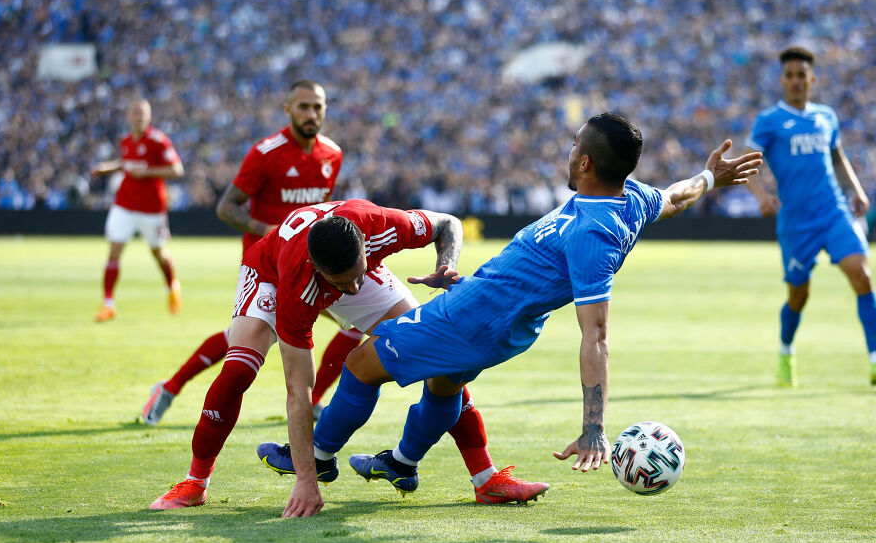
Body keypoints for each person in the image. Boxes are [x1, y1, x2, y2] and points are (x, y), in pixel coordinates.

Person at [303, 113, 762, 507]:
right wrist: (708, 178)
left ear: (585, 162)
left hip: (473, 319)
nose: (569, 151)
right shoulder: (633, 199)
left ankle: (317, 458)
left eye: (575, 145)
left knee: (361, 363)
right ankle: (402, 463)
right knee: (445, 386)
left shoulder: (593, 233)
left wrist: (594, 426)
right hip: (488, 313)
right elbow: (677, 197)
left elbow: (596, 334)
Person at [149, 199, 549, 515]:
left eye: (359, 275)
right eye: (343, 284)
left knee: (437, 353)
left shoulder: (378, 225)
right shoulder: (298, 288)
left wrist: (446, 264)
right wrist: (305, 481)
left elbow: (448, 224)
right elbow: (298, 392)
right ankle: (196, 483)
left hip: (341, 262)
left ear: (364, 245)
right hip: (270, 271)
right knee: (238, 370)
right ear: (319, 270)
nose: (354, 289)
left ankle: (486, 479)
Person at [142, 80, 352, 425]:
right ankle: (169, 387)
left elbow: (321, 207)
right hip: (267, 266)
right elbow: (226, 207)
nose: (311, 114)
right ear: (288, 110)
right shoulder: (266, 153)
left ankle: (313, 401)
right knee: (245, 342)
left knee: (354, 324)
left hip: (308, 263)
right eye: (303, 106)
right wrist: (269, 230)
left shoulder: (332, 153)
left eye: (317, 107)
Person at [743, 47, 876, 387]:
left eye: (801, 75)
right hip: (796, 223)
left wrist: (856, 189)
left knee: (862, 275)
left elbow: (838, 157)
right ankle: (786, 353)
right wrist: (762, 196)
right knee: (798, 296)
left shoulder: (826, 117)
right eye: (790, 75)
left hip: (834, 212)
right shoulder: (770, 120)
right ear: (781, 80)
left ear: (812, 79)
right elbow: (746, 163)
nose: (796, 81)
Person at [90, 99, 185, 322]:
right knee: (114, 251)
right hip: (124, 205)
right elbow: (127, 163)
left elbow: (177, 170)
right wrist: (107, 168)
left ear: (149, 117)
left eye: (142, 114)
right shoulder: (126, 140)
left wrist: (148, 172)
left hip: (151, 209)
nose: (139, 117)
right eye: (135, 113)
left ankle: (172, 286)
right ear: (128, 116)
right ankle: (108, 304)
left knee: (158, 252)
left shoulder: (158, 141)